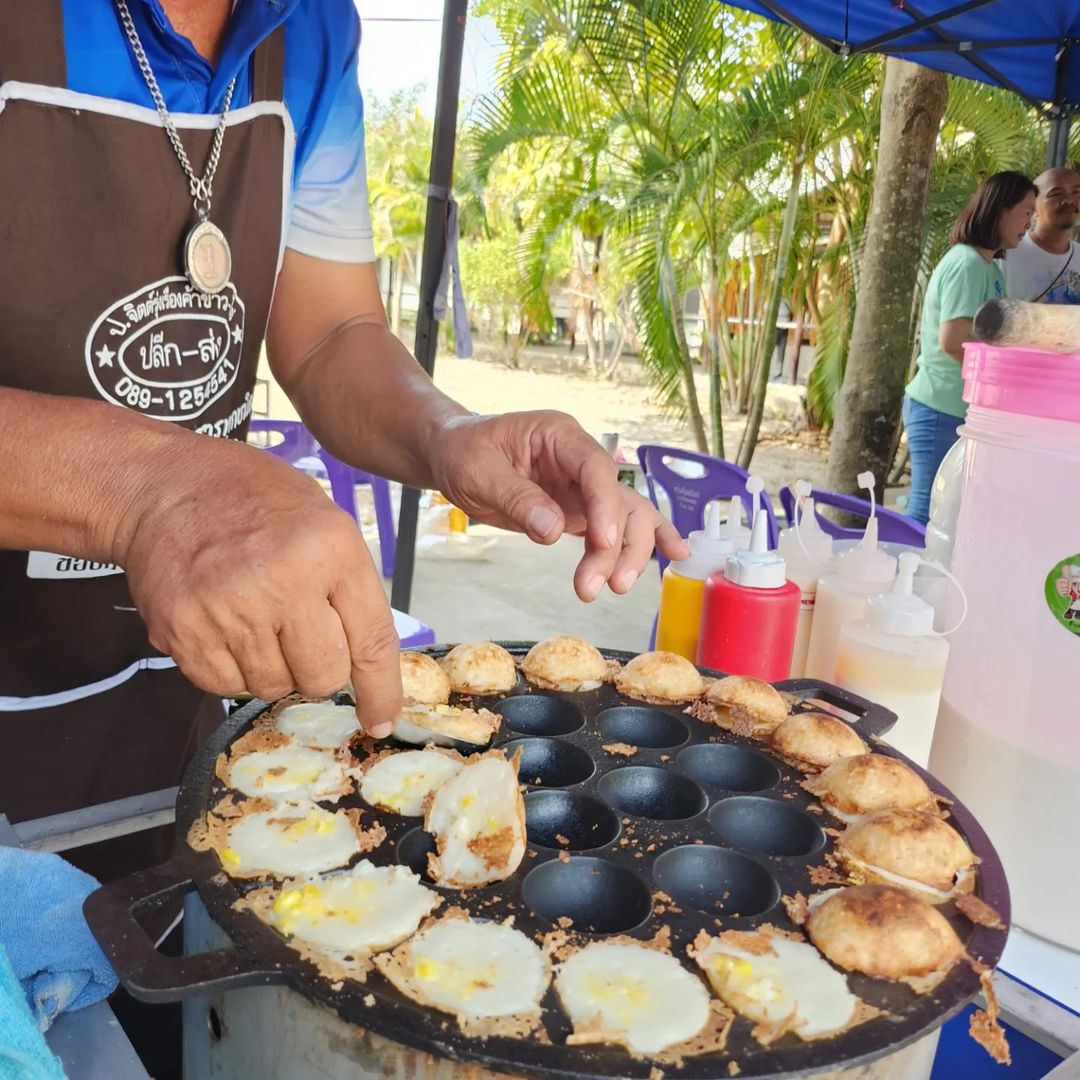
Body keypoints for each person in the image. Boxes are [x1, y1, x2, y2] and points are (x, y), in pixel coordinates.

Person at [0, 0, 687, 880]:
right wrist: (150, 489)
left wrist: (451, 436)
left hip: (168, 704)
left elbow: (330, 333)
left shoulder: (312, 27)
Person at [903, 171, 1037, 524]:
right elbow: (953, 340)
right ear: (999, 210)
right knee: (927, 511)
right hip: (938, 406)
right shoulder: (967, 264)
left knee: (946, 513)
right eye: (1025, 212)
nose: (1029, 222)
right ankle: (906, 577)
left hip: (954, 408)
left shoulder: (988, 266)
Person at [1005, 166, 1080, 304]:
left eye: (1076, 192)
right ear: (1033, 208)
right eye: (1056, 194)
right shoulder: (1006, 255)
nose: (1069, 200)